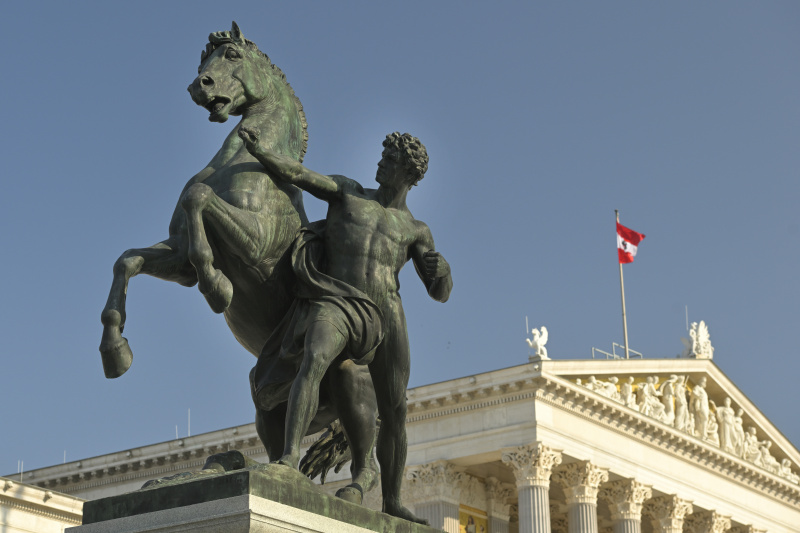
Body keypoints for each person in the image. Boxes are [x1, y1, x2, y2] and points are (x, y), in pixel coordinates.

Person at [240, 127, 453, 523]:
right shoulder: (347, 192)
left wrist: (443, 273)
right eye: (382, 156)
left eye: (388, 161)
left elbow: (439, 291)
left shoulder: (416, 229)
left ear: (408, 174)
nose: (379, 164)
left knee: (395, 410)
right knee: (316, 357)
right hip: (337, 298)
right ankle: (289, 457)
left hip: (387, 314)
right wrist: (264, 152)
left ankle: (389, 499)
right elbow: (300, 175)